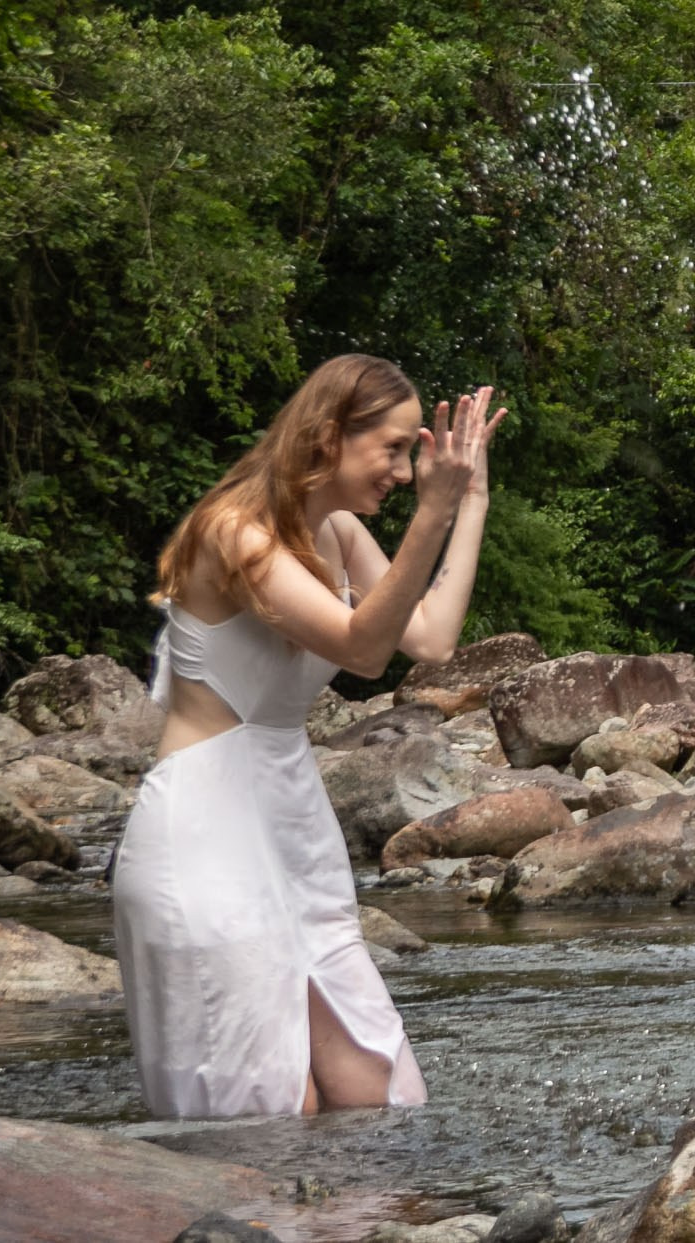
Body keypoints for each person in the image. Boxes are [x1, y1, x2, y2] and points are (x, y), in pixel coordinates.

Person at [112, 353, 505, 1119]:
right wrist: (433, 509)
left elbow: (430, 638)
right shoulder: (233, 533)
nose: (402, 467)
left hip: (292, 828)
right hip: (201, 837)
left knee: (378, 1096)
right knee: (265, 1110)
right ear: (328, 435)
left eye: (409, 451)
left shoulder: (341, 532)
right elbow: (361, 648)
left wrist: (472, 501)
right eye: (391, 447)